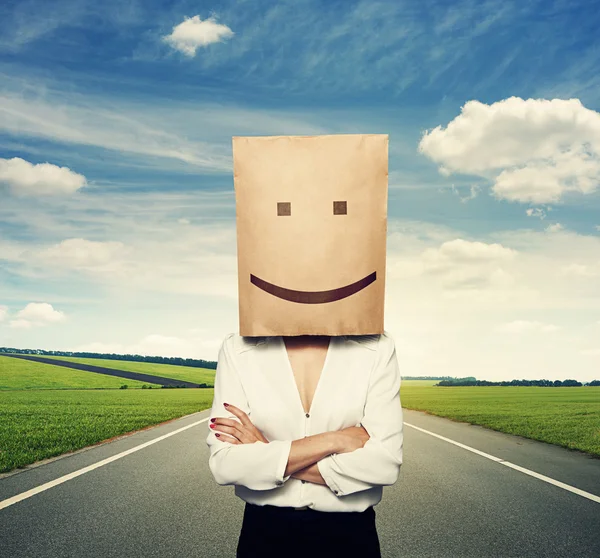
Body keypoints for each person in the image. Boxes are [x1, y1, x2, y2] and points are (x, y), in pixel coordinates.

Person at [206, 329, 404, 557]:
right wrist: (335, 440)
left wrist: (265, 451)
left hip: (351, 537)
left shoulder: (377, 346)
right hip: (264, 537)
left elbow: (385, 466)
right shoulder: (238, 347)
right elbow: (225, 465)